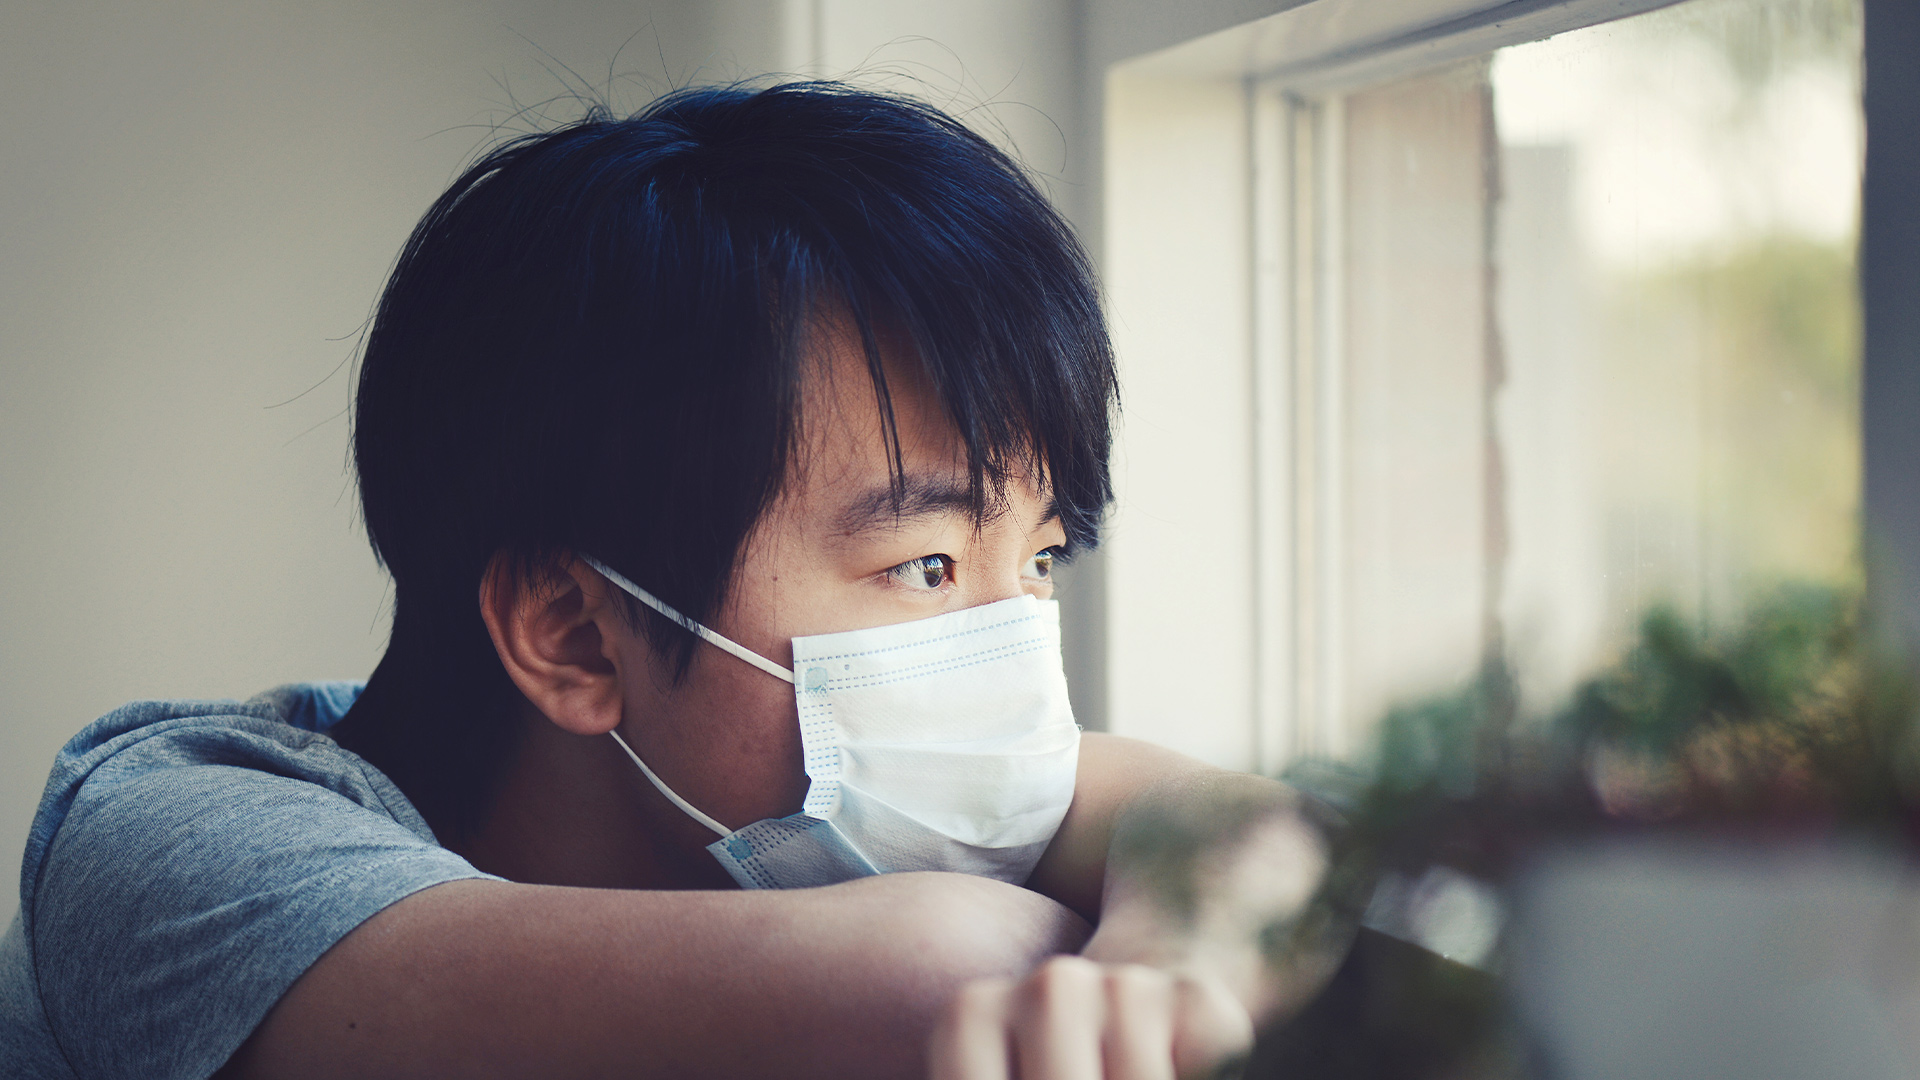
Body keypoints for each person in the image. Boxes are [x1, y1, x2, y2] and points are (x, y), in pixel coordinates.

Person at [1, 81, 1341, 1080]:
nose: (1007, 652)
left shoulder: (797, 812)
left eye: (1037, 560)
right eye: (924, 565)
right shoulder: (181, 842)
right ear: (578, 635)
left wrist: (1174, 959)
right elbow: (948, 970)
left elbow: (1246, 835)